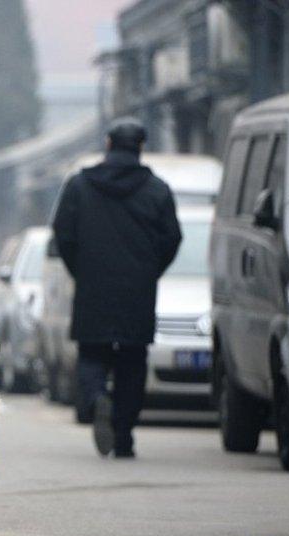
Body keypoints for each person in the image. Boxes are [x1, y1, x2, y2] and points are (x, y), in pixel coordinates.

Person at [51, 118, 181, 459]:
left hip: (93, 287)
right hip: (137, 291)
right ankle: (123, 436)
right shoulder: (157, 189)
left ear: (108, 144)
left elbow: (63, 233)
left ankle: (96, 399)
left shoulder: (80, 185)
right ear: (140, 148)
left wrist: (81, 269)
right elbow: (172, 239)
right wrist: (150, 271)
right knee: (132, 362)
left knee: (92, 354)